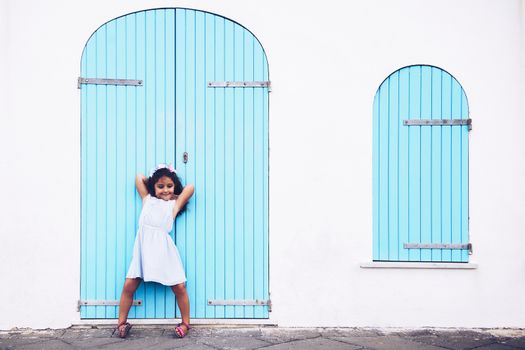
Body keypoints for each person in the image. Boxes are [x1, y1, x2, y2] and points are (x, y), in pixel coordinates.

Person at [113, 164, 194, 338]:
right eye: (161, 186)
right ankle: (121, 323)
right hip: (143, 250)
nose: (165, 190)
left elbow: (190, 188)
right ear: (153, 187)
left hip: (164, 250)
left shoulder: (174, 204)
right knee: (129, 285)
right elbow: (139, 177)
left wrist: (174, 194)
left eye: (169, 186)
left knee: (179, 286)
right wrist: (153, 184)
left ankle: (185, 323)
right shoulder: (147, 199)